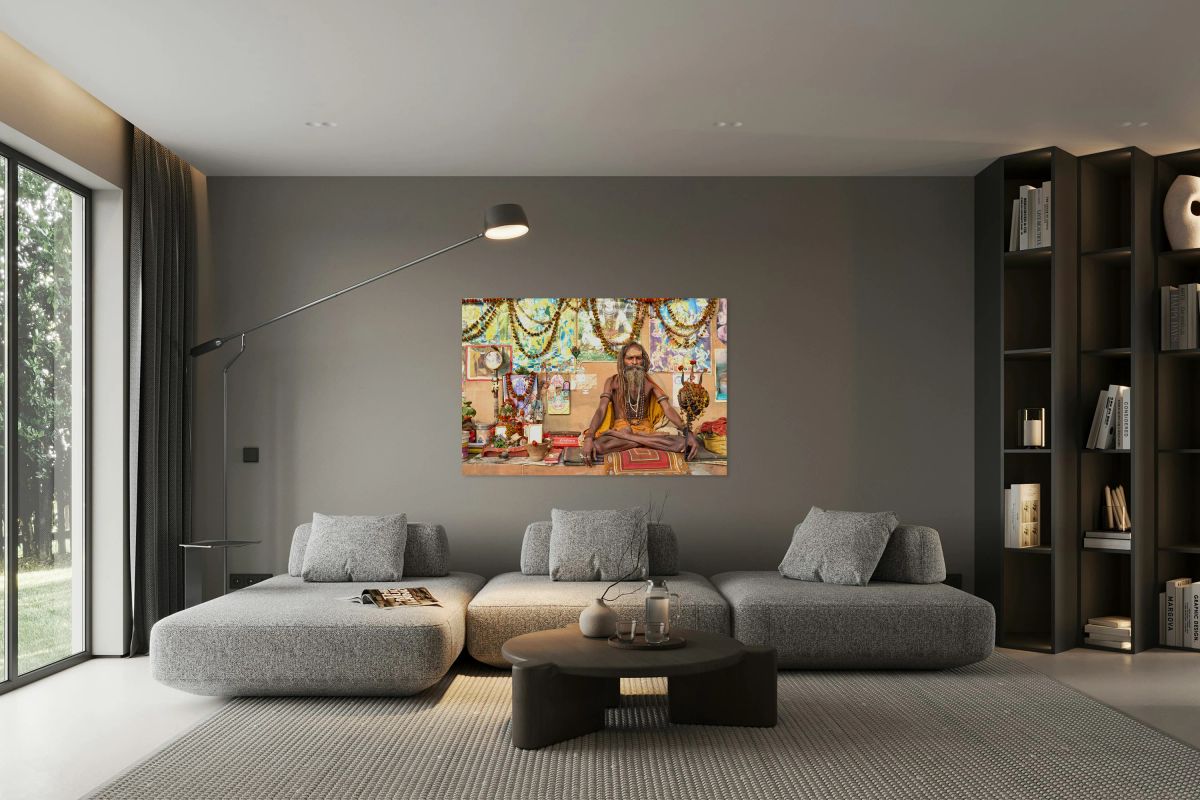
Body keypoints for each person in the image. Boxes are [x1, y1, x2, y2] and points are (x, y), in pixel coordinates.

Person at [580, 341, 701, 465]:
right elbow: (601, 409)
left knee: (682, 443)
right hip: (623, 429)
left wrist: (687, 432)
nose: (634, 362)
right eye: (630, 358)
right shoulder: (612, 382)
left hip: (641, 430)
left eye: (638, 358)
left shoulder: (649, 383)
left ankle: (630, 438)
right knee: (598, 446)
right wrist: (589, 437)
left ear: (643, 361)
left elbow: (667, 408)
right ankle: (644, 441)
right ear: (622, 361)